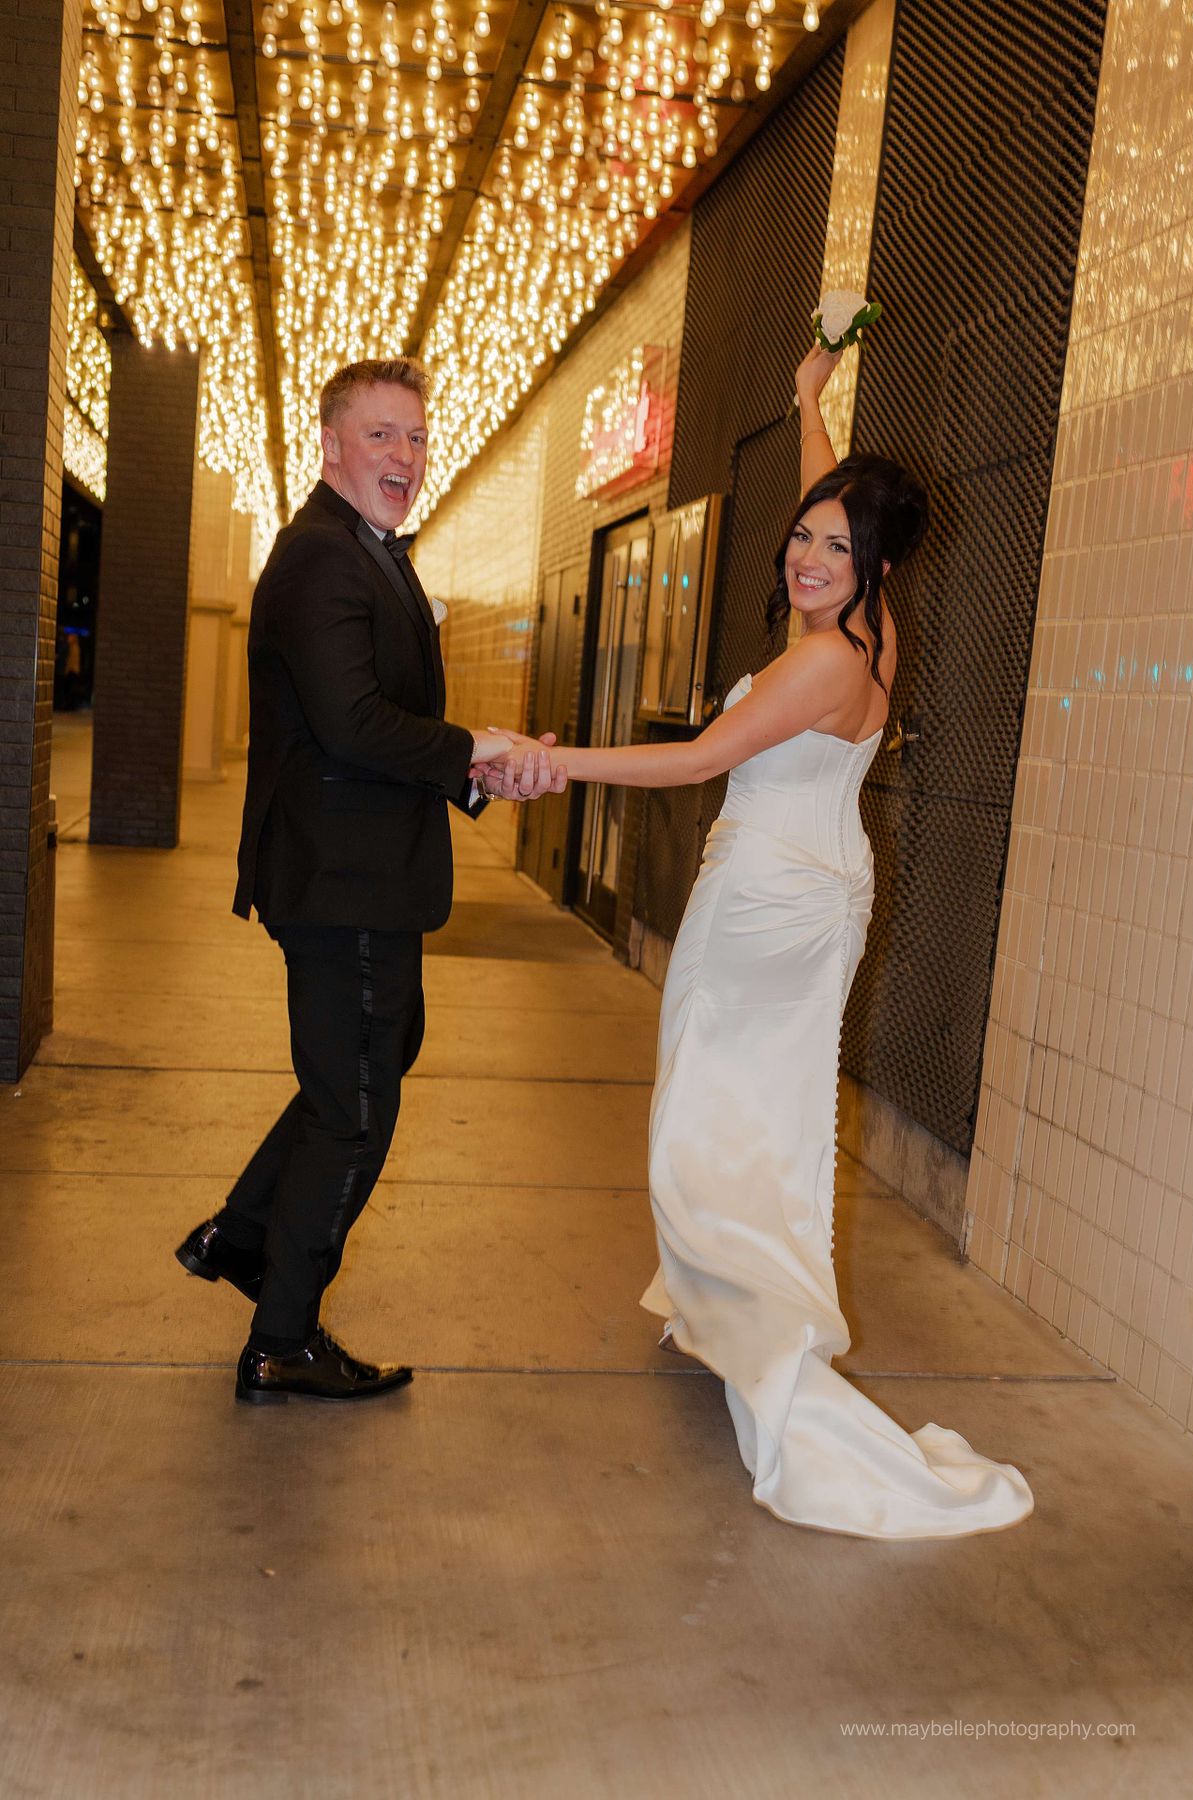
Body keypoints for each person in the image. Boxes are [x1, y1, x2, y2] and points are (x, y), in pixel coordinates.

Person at [486, 345, 1034, 1538]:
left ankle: (761, 1329)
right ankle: (734, 1303)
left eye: (835, 548)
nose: (806, 555)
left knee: (706, 1118)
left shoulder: (825, 662)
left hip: (767, 903)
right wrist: (807, 402)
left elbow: (693, 762)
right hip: (816, 891)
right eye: (804, 536)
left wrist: (545, 760)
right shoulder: (878, 634)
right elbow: (837, 497)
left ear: (874, 565)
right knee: (766, 1112)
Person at [176, 357, 562, 1405]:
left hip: (366, 873)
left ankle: (244, 1233)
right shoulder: (319, 561)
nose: (406, 457)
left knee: (374, 1056)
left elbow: (371, 726)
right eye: (383, 436)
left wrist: (471, 769)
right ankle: (281, 1336)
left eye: (417, 437)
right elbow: (351, 722)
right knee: (354, 1108)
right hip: (339, 883)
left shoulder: (367, 553)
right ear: (333, 444)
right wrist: (470, 747)